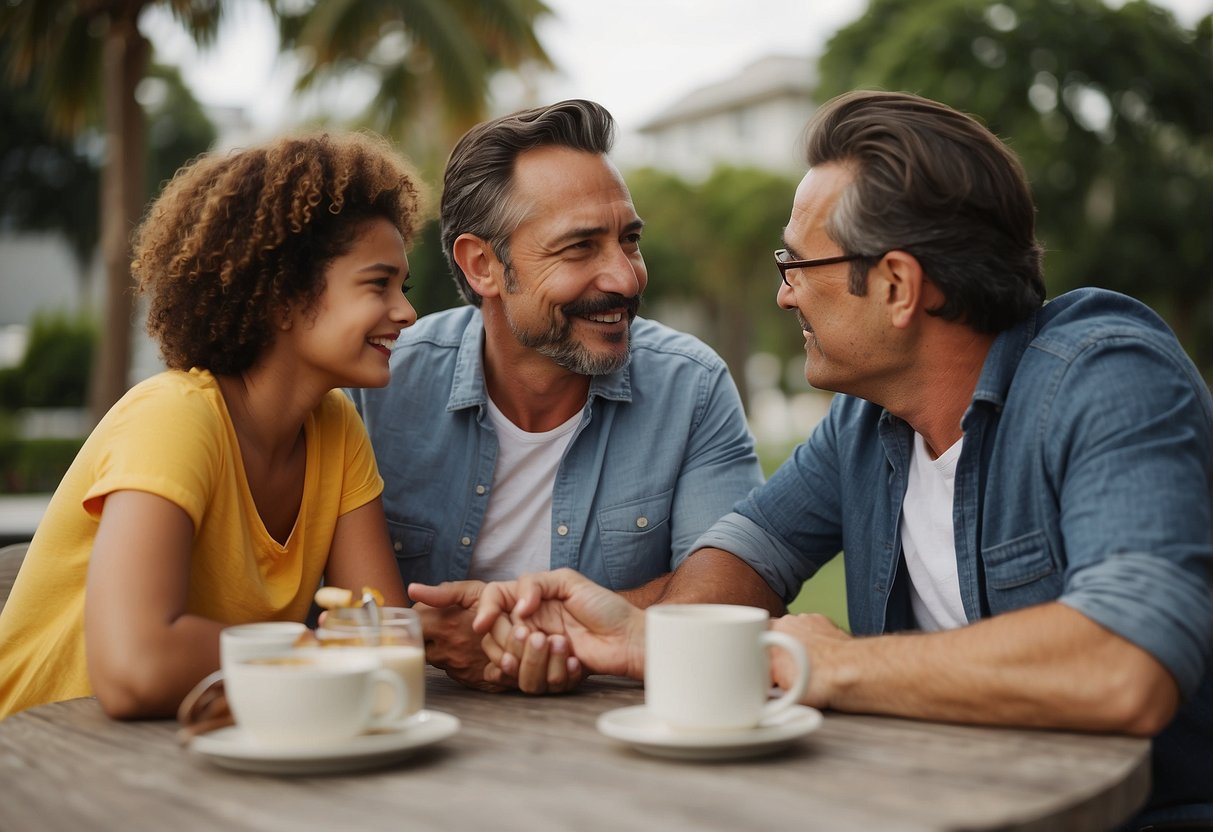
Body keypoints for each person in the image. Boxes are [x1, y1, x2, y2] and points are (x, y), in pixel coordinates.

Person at [468, 90, 1213, 827]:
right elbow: (745, 557)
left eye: (797, 264)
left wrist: (830, 662)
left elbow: (1125, 664)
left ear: (895, 285)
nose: (785, 295)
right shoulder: (867, 422)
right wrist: (635, 634)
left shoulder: (1105, 373)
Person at [0, 132, 422, 720]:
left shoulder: (335, 428)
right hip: (45, 761)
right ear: (281, 296)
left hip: (186, 761)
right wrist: (314, 647)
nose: (407, 311)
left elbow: (381, 636)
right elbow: (134, 668)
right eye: (379, 284)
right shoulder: (174, 417)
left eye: (405, 285)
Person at [348, 99, 763, 693]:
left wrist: (556, 628)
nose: (625, 277)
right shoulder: (376, 388)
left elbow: (734, 591)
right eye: (580, 248)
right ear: (482, 265)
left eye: (630, 240)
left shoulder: (690, 386)